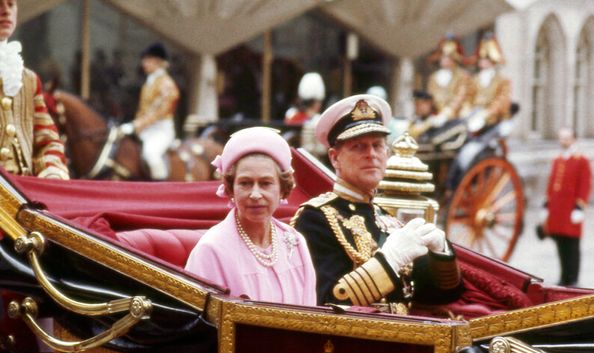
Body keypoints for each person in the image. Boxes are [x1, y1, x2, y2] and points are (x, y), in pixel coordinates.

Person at [291, 94, 463, 313]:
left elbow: (440, 295)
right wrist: (389, 261)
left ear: (387, 153)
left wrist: (442, 253)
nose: (371, 154)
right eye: (359, 147)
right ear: (335, 158)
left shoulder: (386, 217)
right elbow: (327, 302)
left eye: (377, 146)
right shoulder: (316, 218)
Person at [185, 127, 317, 306]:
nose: (255, 194)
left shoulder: (295, 241)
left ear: (282, 189)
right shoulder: (211, 250)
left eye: (265, 183)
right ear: (231, 189)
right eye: (245, 183)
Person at [0, 0, 68, 179]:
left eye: (11, 4)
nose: (6, 11)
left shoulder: (28, 79)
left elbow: (47, 140)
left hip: (21, 194)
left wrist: (52, 173)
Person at [540, 127, 592, 287]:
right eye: (562, 138)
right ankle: (564, 276)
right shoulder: (557, 159)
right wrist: (546, 205)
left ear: (574, 140)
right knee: (560, 244)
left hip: (571, 209)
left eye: (567, 138)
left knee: (572, 245)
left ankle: (573, 278)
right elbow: (551, 183)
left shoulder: (582, 160)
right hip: (557, 210)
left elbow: (585, 185)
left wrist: (579, 207)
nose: (564, 142)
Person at [120, 42, 180, 180]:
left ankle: (162, 189)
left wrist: (135, 125)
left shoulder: (167, 84)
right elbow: (143, 110)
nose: (144, 63)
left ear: (158, 62)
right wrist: (134, 125)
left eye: (147, 59)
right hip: (145, 130)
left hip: (160, 131)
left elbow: (159, 112)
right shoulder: (149, 82)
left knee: (151, 154)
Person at [462, 32, 512, 134]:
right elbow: (468, 96)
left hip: (494, 117)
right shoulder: (474, 79)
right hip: (475, 113)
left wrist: (488, 112)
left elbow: (502, 100)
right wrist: (466, 108)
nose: (482, 61)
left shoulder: (503, 81)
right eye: (481, 59)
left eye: (486, 59)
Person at [426, 34, 472, 127]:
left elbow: (461, 96)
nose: (444, 60)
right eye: (443, 57)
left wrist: (448, 112)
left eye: (448, 58)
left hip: (456, 115)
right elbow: (430, 96)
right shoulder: (433, 77)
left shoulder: (462, 76)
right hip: (436, 115)